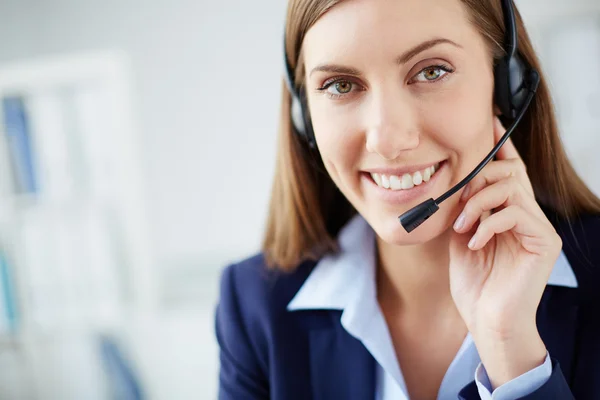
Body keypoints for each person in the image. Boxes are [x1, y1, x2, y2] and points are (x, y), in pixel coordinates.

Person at [215, 0, 600, 398]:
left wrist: (513, 354)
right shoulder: (255, 306)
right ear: (305, 116)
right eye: (340, 85)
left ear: (507, 85)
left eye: (432, 71)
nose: (388, 140)